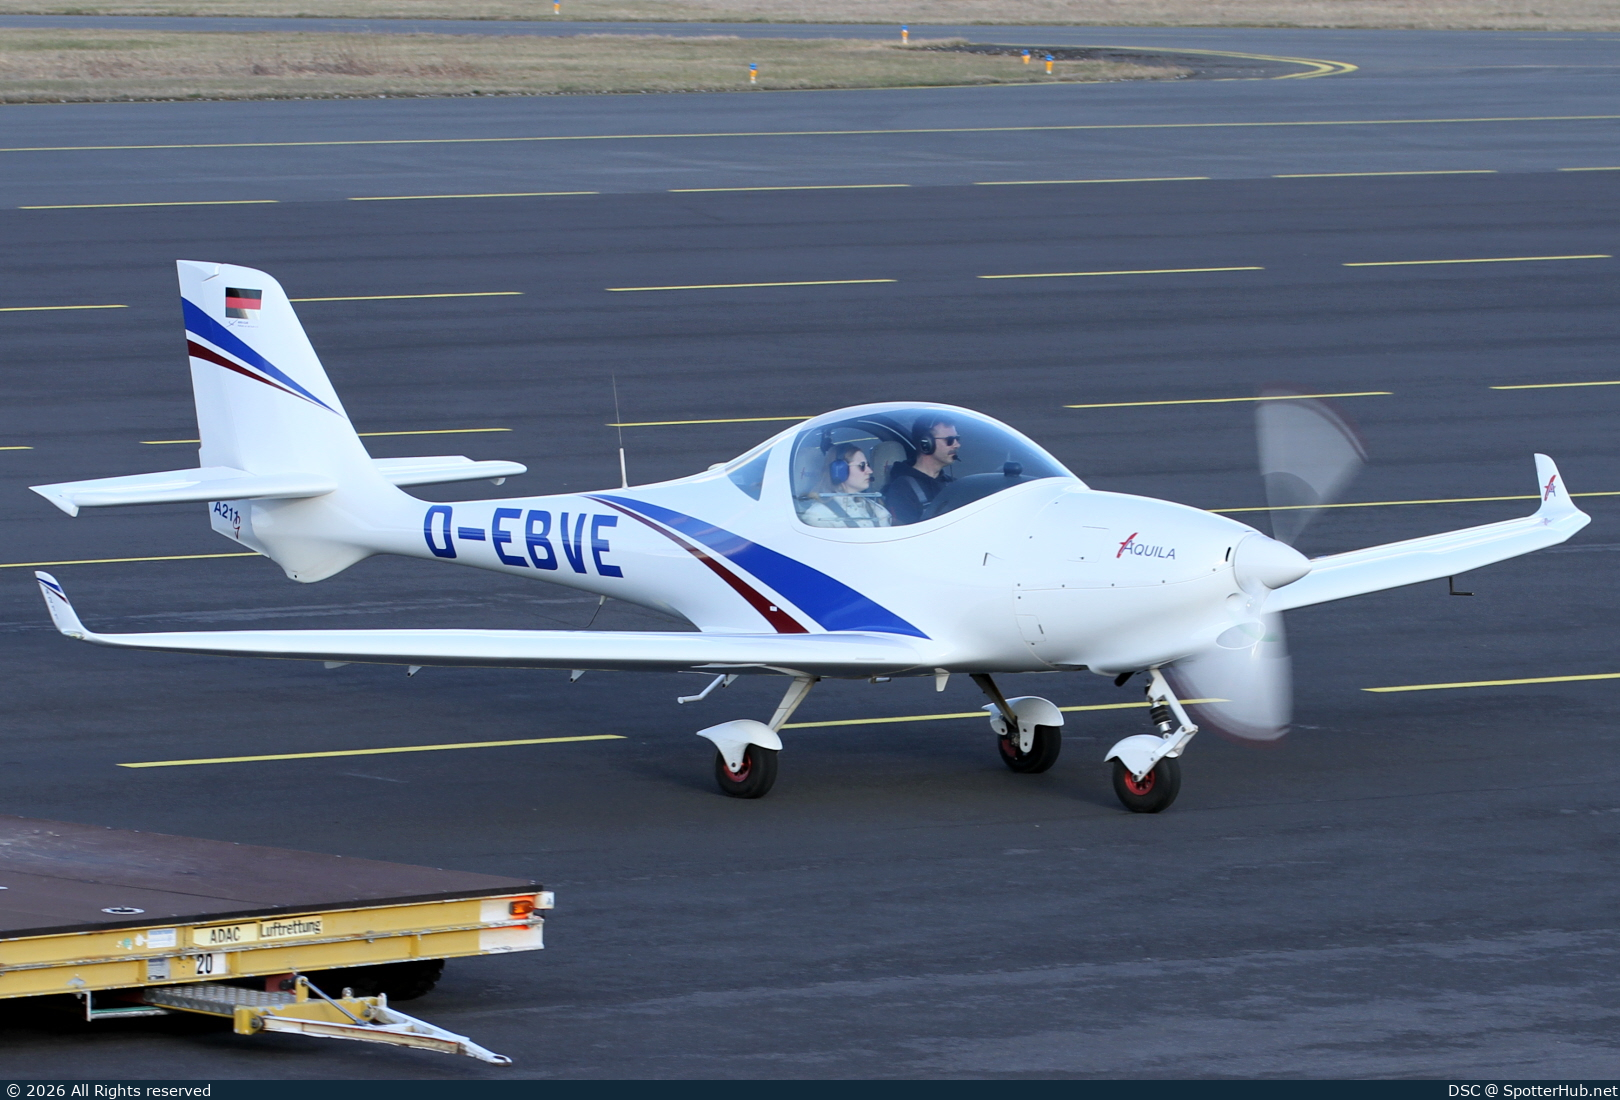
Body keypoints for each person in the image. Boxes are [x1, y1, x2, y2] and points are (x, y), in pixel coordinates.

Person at [882, 416, 961, 524]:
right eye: (949, 440)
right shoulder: (901, 489)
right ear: (926, 444)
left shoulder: (954, 485)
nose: (957, 445)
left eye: (957, 439)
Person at [800, 445, 892, 528]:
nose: (870, 471)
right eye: (862, 465)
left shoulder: (877, 510)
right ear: (839, 470)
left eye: (868, 465)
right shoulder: (820, 517)